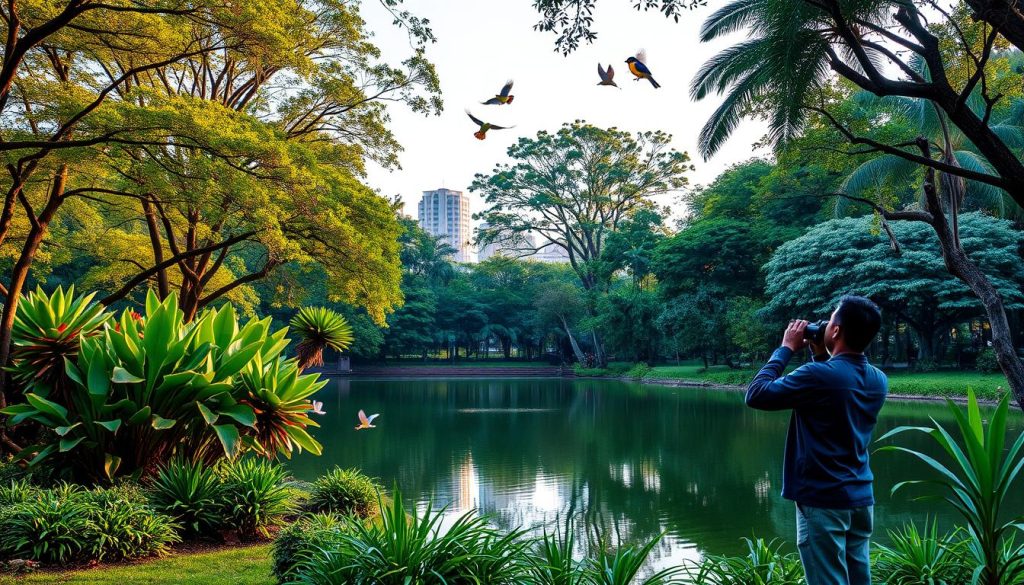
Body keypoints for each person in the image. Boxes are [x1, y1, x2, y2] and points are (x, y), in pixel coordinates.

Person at [745, 295, 887, 585]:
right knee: (859, 579)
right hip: (859, 498)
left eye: (831, 319)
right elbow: (836, 388)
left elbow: (756, 394)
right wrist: (822, 354)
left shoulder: (818, 376)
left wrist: (785, 349)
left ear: (835, 331)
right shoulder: (877, 379)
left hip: (823, 501)